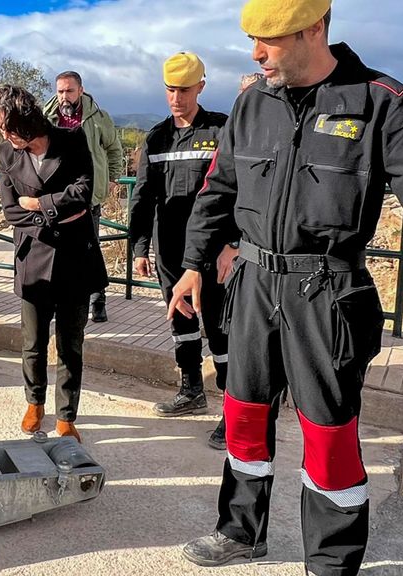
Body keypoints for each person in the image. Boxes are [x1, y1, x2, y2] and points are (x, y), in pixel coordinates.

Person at [167, 1, 403, 574]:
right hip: (254, 285)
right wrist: (193, 263)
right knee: (242, 414)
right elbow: (218, 190)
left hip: (327, 294)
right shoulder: (250, 103)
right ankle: (241, 532)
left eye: (271, 39)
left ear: (316, 29)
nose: (256, 54)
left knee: (329, 435)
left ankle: (332, 561)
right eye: (252, 39)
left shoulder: (382, 102)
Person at [128, 53, 236, 451]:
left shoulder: (222, 130)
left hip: (213, 253)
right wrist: (139, 246)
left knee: (221, 332)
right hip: (170, 251)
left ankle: (233, 410)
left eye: (184, 90)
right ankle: (191, 389)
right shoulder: (156, 137)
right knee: (181, 323)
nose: (176, 98)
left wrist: (234, 243)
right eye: (170, 90)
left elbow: (239, 192)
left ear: (201, 88)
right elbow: (142, 196)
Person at [0, 84, 108, 443]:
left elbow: (83, 193)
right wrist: (55, 213)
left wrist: (38, 204)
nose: (2, 134)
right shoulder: (6, 153)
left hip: (75, 259)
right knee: (33, 342)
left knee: (71, 344)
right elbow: (11, 210)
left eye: (7, 127)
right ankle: (34, 403)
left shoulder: (72, 140)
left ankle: (66, 416)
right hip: (33, 261)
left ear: (26, 122)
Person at [44, 71, 124, 323]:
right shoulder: (46, 117)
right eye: (60, 91)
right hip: (56, 196)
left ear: (80, 90)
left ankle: (97, 301)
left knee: (90, 248)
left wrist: (112, 178)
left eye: (69, 90)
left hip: (88, 195)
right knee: (55, 249)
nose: (63, 96)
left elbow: (113, 148)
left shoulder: (99, 118)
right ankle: (59, 300)